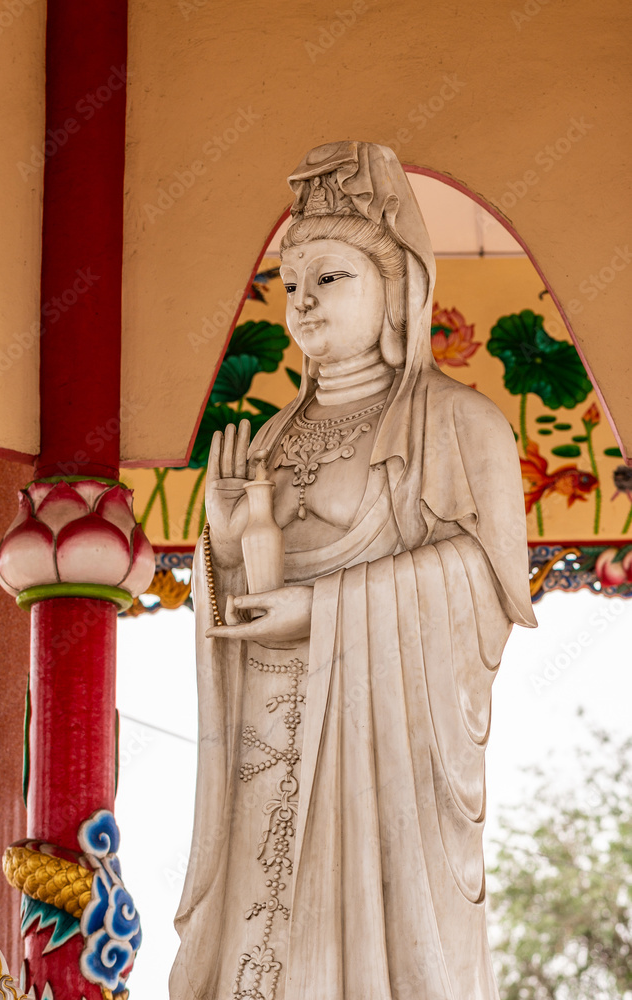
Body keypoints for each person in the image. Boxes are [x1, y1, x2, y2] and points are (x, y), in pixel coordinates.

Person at [170, 140, 536, 1000]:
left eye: (329, 278)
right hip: (271, 729)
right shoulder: (271, 438)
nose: (301, 303)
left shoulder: (456, 425)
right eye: (290, 286)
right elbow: (243, 593)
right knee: (266, 937)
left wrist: (328, 610)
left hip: (383, 750)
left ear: (396, 288)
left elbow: (487, 588)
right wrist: (223, 555)